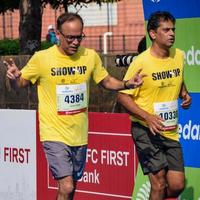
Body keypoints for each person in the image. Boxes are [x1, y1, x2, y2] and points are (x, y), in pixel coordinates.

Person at [4, 13, 145, 200]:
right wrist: (14, 79)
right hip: (53, 133)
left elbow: (106, 81)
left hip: (79, 134)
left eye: (79, 37)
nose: (75, 42)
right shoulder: (42, 58)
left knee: (71, 188)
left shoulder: (90, 57)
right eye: (70, 37)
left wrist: (127, 83)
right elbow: (20, 84)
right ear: (57, 34)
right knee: (67, 185)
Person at [117, 11, 191, 200]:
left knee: (177, 185)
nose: (172, 33)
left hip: (170, 130)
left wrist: (184, 93)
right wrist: (147, 117)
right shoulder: (141, 62)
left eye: (173, 29)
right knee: (158, 183)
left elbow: (178, 78)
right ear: (153, 34)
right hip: (145, 129)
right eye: (166, 30)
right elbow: (123, 97)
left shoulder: (179, 56)